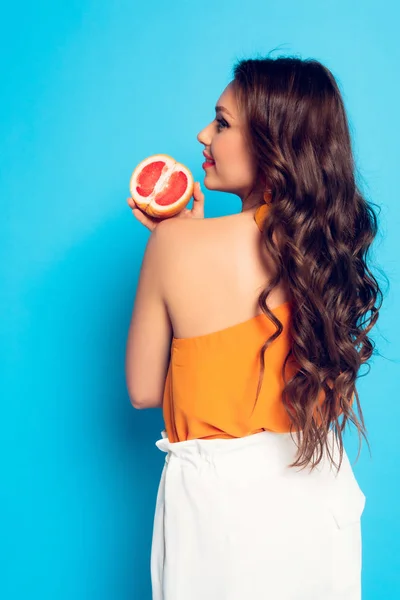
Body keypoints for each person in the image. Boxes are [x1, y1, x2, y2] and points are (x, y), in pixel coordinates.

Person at [125, 56, 383, 600]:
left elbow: (144, 390)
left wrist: (179, 243)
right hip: (317, 496)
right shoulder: (326, 254)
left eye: (221, 123)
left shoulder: (173, 245)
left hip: (217, 514)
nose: (203, 134)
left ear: (272, 144)